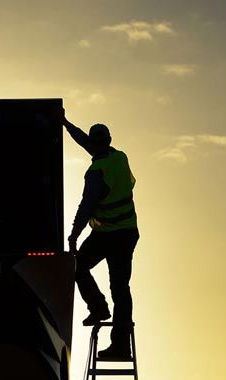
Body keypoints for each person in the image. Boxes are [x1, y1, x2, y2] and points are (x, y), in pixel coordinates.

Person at [63, 112, 139, 360]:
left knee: (77, 266)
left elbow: (86, 208)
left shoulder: (96, 173)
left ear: (98, 144)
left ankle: (98, 308)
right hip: (126, 233)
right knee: (121, 289)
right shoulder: (119, 157)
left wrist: (73, 236)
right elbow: (87, 142)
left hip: (109, 236)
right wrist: (66, 124)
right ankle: (120, 345)